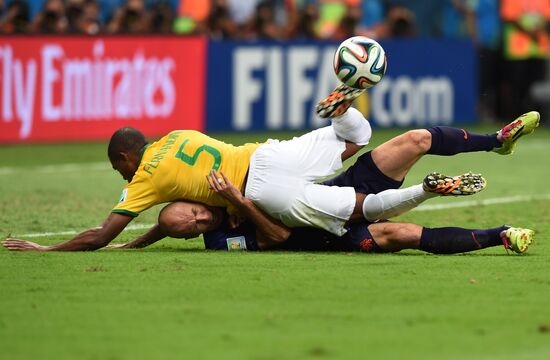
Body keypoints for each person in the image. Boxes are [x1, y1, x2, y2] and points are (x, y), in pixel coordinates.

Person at [1, 84, 540, 252]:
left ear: (125, 159)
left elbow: (102, 232)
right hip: (269, 152)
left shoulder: (150, 181)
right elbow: (163, 222)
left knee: (365, 209)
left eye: (118, 170)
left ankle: (458, 166)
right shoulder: (176, 136)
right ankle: (347, 108)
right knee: (355, 141)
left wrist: (47, 248)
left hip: (263, 187)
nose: (188, 221)